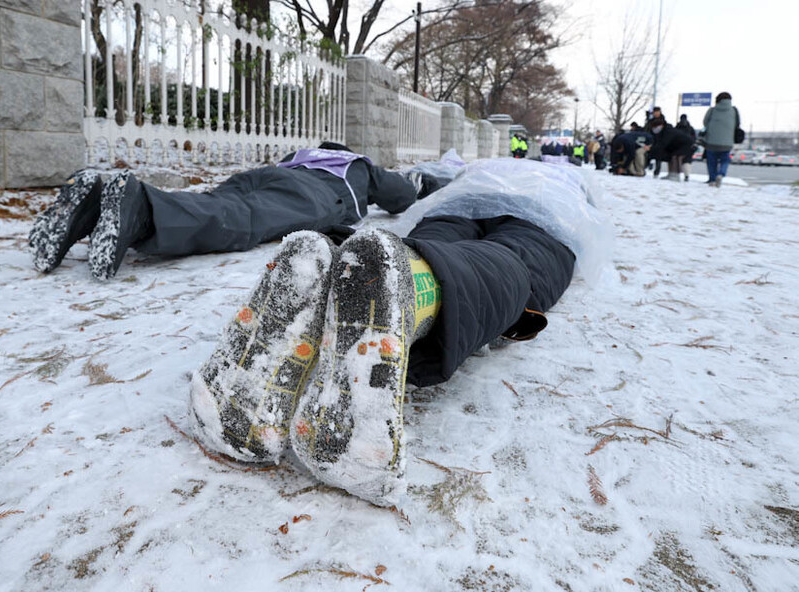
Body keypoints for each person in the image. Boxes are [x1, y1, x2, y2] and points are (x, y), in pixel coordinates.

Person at [189, 159, 608, 505]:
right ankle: (402, 282)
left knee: (427, 245)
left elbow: (433, 175)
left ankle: (343, 269)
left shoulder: (485, 167)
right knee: (511, 266)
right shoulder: (569, 178)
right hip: (547, 221)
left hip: (455, 207)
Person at [28, 143, 425, 280]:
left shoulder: (300, 155)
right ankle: (140, 208)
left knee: (218, 204)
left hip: (264, 175)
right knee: (241, 219)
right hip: (317, 193)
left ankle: (98, 204)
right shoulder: (358, 165)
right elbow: (401, 196)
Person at [700, 92, 740, 187]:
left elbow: (705, 122)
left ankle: (712, 180)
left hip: (711, 142)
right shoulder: (734, 110)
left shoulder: (712, 110)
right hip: (727, 142)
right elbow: (737, 124)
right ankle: (721, 174)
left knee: (711, 161)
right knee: (725, 160)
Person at [648, 116, 696, 181]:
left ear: (661, 125)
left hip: (686, 145)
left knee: (675, 157)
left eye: (655, 127)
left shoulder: (668, 131)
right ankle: (671, 174)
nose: (654, 129)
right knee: (670, 157)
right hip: (677, 146)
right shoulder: (663, 131)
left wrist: (651, 148)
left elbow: (663, 143)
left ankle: (676, 175)